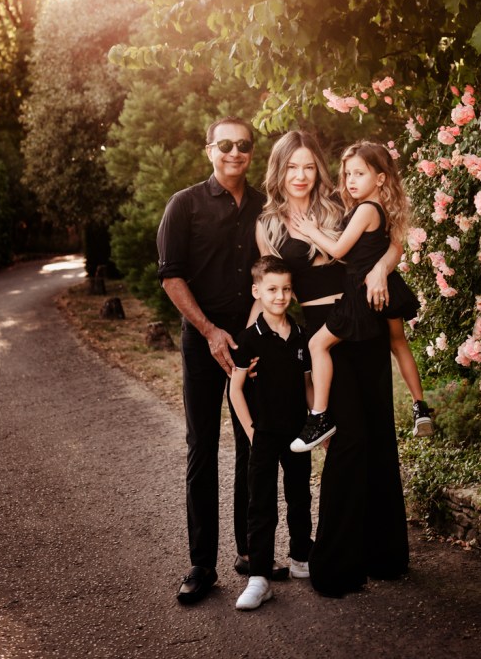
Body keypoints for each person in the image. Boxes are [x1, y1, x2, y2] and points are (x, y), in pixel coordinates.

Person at [255, 130, 409, 597]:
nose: (301, 176)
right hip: (325, 327)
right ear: (279, 171)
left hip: (364, 318)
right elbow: (270, 289)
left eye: (308, 167)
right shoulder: (270, 224)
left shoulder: (339, 205)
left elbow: (390, 238)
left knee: (380, 431)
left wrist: (384, 266)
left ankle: (385, 556)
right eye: (292, 167)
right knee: (349, 440)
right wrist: (258, 342)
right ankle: (337, 565)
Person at [157, 116, 274, 605]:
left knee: (253, 444)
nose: (234, 152)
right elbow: (171, 277)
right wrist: (209, 332)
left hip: (253, 339)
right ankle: (201, 565)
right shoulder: (183, 206)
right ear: (209, 149)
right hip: (204, 342)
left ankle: (251, 555)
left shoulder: (267, 206)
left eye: (243, 145)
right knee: (202, 448)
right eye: (225, 144)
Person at [290, 140, 433, 451]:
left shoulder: (365, 209)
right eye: (347, 174)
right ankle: (420, 405)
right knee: (398, 343)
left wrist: (311, 230)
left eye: (359, 174)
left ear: (380, 178)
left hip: (360, 294)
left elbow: (340, 250)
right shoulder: (383, 208)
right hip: (387, 288)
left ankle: (320, 417)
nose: (351, 181)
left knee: (317, 343)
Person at [230, 256, 314, 611]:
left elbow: (308, 385)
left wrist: (315, 421)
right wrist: (251, 431)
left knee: (300, 496)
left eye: (286, 289)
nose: (280, 296)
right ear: (257, 291)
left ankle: (300, 558)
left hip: (297, 431)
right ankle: (259, 577)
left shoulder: (300, 334)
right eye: (272, 290)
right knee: (261, 504)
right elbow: (235, 390)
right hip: (263, 433)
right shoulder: (249, 340)